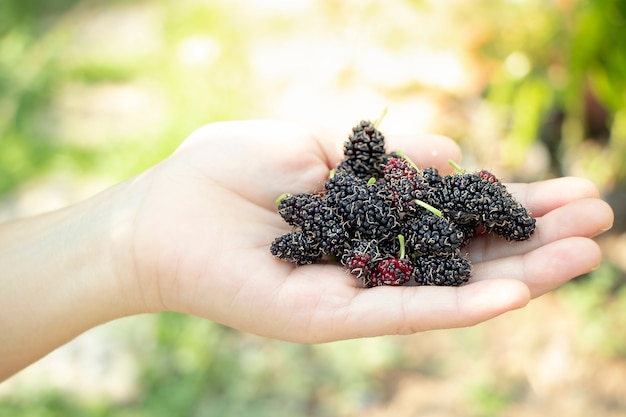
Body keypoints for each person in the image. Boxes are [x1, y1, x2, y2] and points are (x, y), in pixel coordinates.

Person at [0, 120, 614, 382]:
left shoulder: (405, 198)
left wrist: (130, 242)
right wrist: (139, 234)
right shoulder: (354, 203)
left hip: (400, 214)